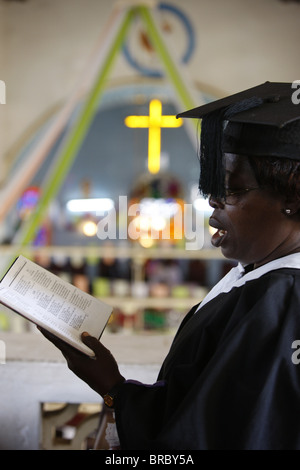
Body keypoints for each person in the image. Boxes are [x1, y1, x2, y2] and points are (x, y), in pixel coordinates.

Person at [40, 82, 300, 450]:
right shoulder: (257, 276)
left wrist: (114, 390)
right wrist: (113, 385)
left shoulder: (283, 298)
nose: (213, 204)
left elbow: (219, 437)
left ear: (291, 196)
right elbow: (206, 405)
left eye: (232, 190)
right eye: (211, 189)